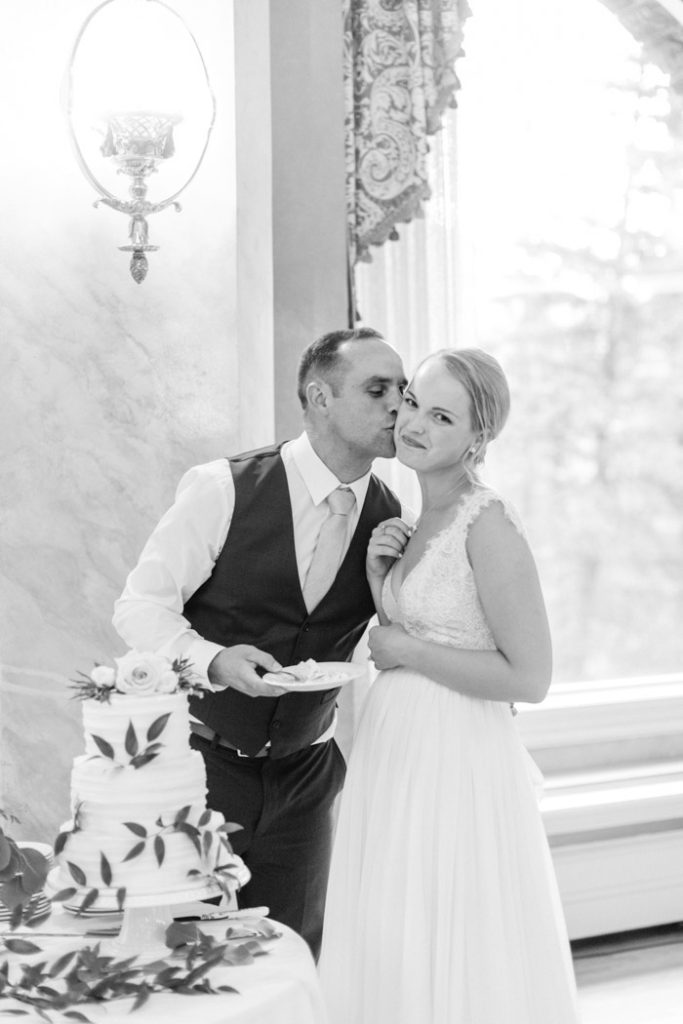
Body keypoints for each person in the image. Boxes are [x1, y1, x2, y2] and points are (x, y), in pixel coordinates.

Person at [112, 327, 408, 959]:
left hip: (307, 777)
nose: (396, 406)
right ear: (320, 396)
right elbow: (139, 606)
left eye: (402, 391)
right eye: (378, 389)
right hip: (200, 766)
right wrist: (213, 659)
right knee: (183, 957)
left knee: (290, 956)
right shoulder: (222, 487)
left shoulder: (390, 512)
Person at [318, 349, 580, 1023]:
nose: (414, 424)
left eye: (441, 416)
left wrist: (402, 643)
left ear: (477, 438)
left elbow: (531, 675)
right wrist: (384, 586)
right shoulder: (409, 520)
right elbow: (420, 638)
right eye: (411, 404)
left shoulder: (486, 521)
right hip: (393, 750)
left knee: (450, 921)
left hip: (455, 756)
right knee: (396, 924)